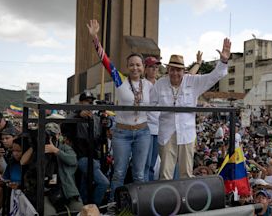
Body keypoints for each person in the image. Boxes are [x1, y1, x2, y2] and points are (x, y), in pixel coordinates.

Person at [150, 38, 231, 180]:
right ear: (168, 69)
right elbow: (151, 106)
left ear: (184, 71)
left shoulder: (193, 81)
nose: (175, 73)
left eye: (178, 70)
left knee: (186, 174)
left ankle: (183, 201)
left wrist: (223, 62)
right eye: (172, 69)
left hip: (186, 133)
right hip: (166, 133)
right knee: (165, 174)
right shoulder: (160, 84)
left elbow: (213, 77)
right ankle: (166, 201)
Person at [88, 19, 152, 198]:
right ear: (127, 67)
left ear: (143, 67)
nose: (135, 67)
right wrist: (95, 38)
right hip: (122, 134)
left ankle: (140, 208)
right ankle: (113, 208)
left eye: (138, 64)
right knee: (119, 174)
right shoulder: (120, 81)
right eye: (131, 64)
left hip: (143, 133)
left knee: (139, 175)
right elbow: (105, 61)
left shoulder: (149, 85)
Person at [43, 123, 83, 215]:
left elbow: (73, 160)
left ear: (59, 135)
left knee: (79, 210)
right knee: (49, 213)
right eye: (48, 135)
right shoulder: (40, 148)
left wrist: (55, 151)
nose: (51, 137)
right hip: (47, 192)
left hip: (67, 190)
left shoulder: (65, 148)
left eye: (53, 134)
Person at [144, 56, 161, 182]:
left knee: (152, 164)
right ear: (145, 69)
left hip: (159, 129)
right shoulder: (142, 84)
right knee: (145, 163)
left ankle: (149, 188)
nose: (154, 69)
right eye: (151, 67)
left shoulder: (161, 84)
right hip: (147, 128)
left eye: (156, 67)